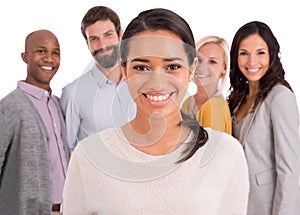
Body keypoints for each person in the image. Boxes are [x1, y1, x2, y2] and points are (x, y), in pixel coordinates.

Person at [63, 8, 249, 215]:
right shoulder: (89, 157)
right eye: (142, 68)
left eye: (172, 67)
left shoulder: (226, 154)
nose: (157, 82)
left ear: (191, 69)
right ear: (124, 71)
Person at [228, 20, 300, 214]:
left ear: (271, 55)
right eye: (244, 53)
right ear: (235, 57)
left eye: (260, 53)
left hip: (267, 207)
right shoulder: (239, 98)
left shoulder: (280, 97)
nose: (252, 62)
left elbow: (291, 171)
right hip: (240, 204)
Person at [0, 29, 70, 215]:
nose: (49, 58)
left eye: (55, 53)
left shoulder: (56, 103)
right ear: (25, 57)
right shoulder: (10, 106)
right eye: (41, 51)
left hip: (67, 208)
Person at [60, 6, 136, 153]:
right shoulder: (73, 93)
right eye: (94, 39)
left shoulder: (141, 84)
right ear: (87, 44)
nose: (103, 45)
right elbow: (66, 152)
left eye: (108, 35)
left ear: (121, 35)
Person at [182, 36, 232, 134]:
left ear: (224, 68)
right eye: (199, 60)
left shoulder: (215, 106)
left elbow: (211, 148)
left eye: (212, 61)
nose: (202, 67)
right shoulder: (187, 102)